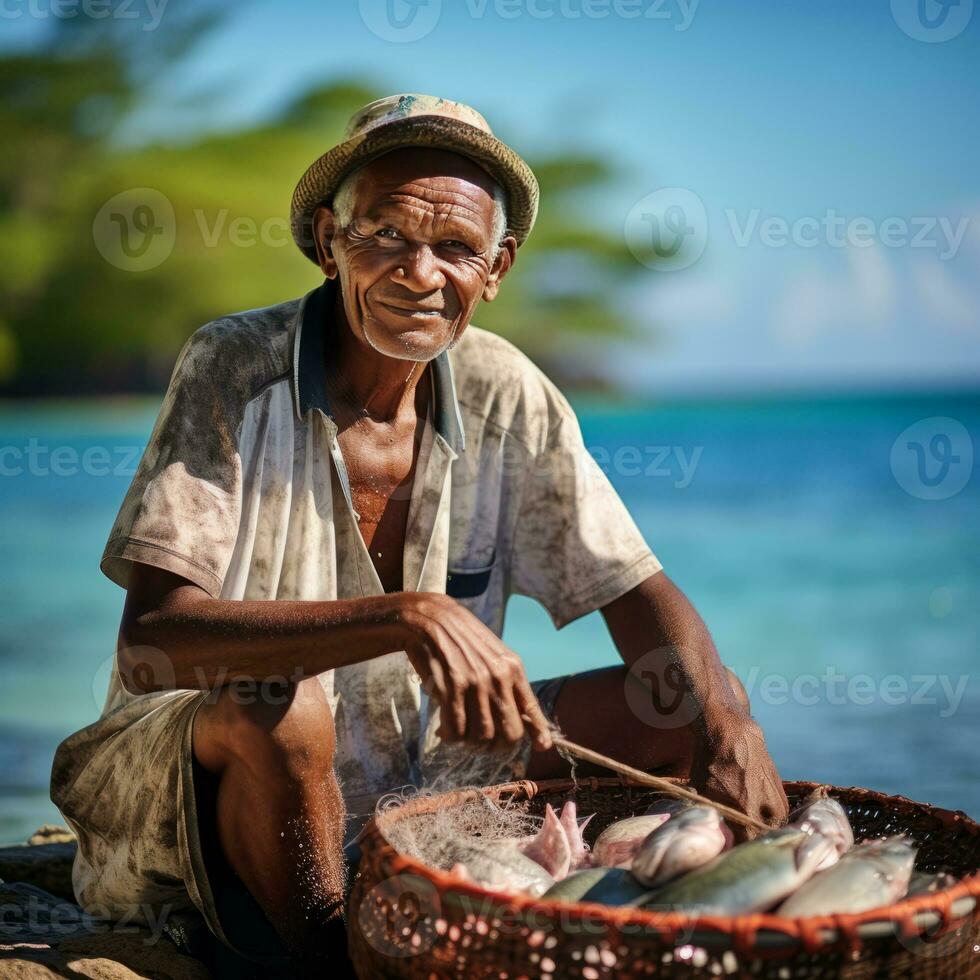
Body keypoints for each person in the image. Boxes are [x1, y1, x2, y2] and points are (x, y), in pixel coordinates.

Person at [51, 93, 788, 972]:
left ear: (498, 266)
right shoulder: (234, 366)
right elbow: (151, 648)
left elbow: (639, 593)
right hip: (196, 788)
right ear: (331, 242)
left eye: (456, 249)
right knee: (283, 705)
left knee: (689, 696)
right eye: (386, 236)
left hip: (425, 767)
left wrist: (724, 724)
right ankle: (329, 957)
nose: (420, 273)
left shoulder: (507, 391)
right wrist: (410, 615)